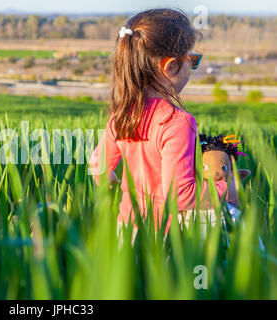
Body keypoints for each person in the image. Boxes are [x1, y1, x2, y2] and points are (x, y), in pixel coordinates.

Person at [89, 8, 239, 237]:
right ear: (170, 66)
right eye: (193, 60)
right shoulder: (177, 122)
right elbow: (180, 195)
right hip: (167, 237)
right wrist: (227, 188)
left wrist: (109, 182)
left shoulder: (122, 114)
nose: (193, 67)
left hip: (127, 230)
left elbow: (97, 163)